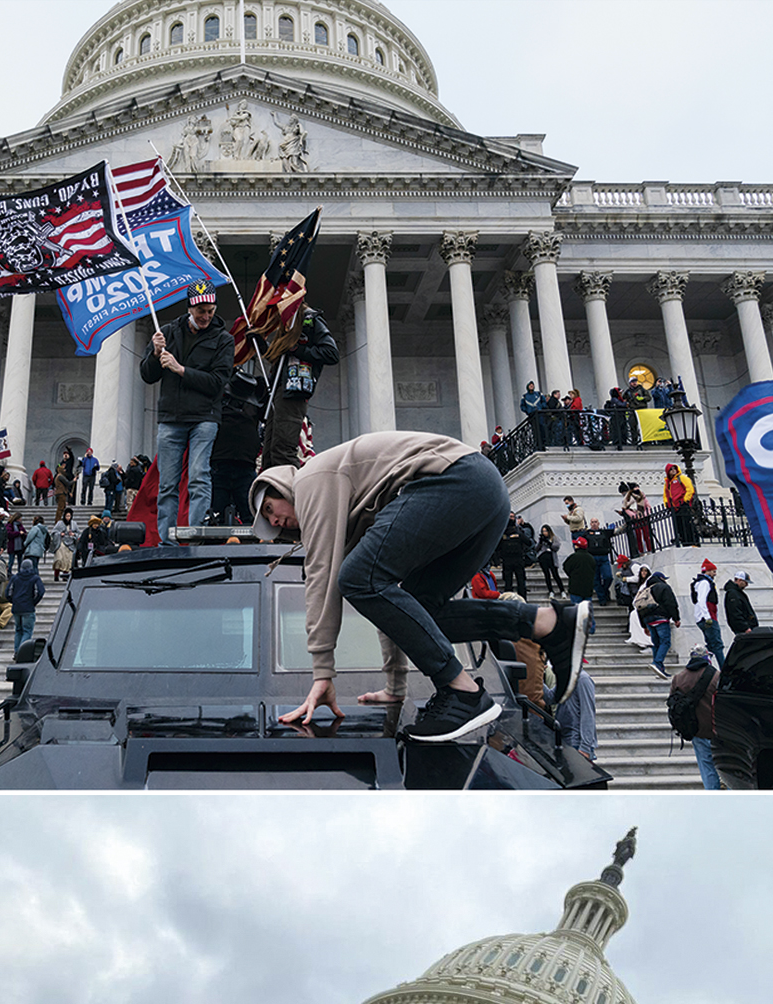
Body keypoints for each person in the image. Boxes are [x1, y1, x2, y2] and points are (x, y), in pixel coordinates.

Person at [250, 433, 590, 741]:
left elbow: (322, 578)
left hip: (456, 481)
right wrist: (395, 687)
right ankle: (548, 623)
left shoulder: (312, 480)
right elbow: (393, 608)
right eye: (270, 524)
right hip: (485, 493)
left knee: (356, 578)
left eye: (270, 509)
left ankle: (463, 692)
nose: (276, 522)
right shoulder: (349, 513)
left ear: (282, 487)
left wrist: (322, 673)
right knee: (419, 609)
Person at [140, 282, 235, 547]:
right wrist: (156, 353)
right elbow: (148, 375)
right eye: (201, 310)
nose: (206, 316)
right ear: (190, 307)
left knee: (198, 476)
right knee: (167, 484)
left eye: (211, 310)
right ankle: (167, 542)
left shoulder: (224, 340)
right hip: (171, 417)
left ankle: (195, 538)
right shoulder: (167, 332)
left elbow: (218, 382)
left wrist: (181, 370)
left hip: (205, 417)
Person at [259, 303, 339, 470]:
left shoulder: (310, 320)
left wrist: (296, 348)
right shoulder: (286, 326)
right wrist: (259, 342)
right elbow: (275, 358)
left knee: (283, 450)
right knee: (269, 454)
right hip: (278, 392)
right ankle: (271, 492)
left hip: (294, 392)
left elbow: (331, 353)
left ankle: (294, 492)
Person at [211, 371, 263, 526]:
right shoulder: (220, 401)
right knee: (217, 513)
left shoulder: (256, 405)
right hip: (223, 463)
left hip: (242, 464)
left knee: (249, 515)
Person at [668, 643, 721, 789]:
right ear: (707, 657)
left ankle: (712, 797)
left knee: (706, 766)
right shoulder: (717, 677)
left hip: (696, 730)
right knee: (726, 767)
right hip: (718, 730)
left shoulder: (679, 678)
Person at [637, 568, 681, 679]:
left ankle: (659, 669)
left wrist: (643, 625)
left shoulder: (646, 590)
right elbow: (671, 603)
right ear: (661, 579)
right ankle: (657, 663)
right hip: (660, 618)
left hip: (648, 620)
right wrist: (676, 618)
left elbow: (639, 608)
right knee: (665, 642)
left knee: (656, 644)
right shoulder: (664, 587)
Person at [553, 667, 598, 761]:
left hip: (576, 742)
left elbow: (588, 713)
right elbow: (550, 697)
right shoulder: (566, 678)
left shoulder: (582, 679)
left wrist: (585, 747)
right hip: (564, 739)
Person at [7, 557, 46, 657]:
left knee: (18, 630)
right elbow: (40, 592)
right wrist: (33, 602)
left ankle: (16, 651)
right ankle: (22, 653)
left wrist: (13, 601)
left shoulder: (15, 578)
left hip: (16, 608)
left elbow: (7, 593)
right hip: (28, 608)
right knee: (27, 631)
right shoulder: (35, 578)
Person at [689, 559, 725, 666]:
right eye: (713, 571)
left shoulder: (701, 582)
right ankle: (724, 670)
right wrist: (707, 617)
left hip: (703, 618)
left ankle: (701, 666)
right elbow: (702, 600)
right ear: (707, 571)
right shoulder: (704, 583)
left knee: (710, 646)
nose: (715, 573)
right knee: (717, 645)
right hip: (708, 618)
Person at [562, 536, 596, 634]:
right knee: (589, 610)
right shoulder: (591, 558)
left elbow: (566, 567)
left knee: (576, 609)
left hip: (575, 588)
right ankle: (591, 628)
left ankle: (578, 628)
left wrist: (572, 575)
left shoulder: (574, 557)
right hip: (588, 588)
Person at [663, 462, 699, 547]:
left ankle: (693, 542)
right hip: (674, 507)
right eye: (671, 469)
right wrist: (667, 504)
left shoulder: (682, 478)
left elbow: (689, 489)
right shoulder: (667, 483)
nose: (673, 470)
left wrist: (685, 500)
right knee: (679, 526)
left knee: (687, 524)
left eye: (674, 469)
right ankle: (685, 542)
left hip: (682, 505)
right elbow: (665, 494)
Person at [582, 519, 616, 606]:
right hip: (592, 557)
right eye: (592, 522)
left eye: (595, 522)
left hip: (603, 557)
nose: (594, 524)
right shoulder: (586, 534)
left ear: (598, 523)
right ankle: (602, 598)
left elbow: (616, 531)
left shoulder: (603, 532)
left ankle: (604, 591)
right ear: (590, 524)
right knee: (595, 580)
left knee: (608, 577)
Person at [498, 515, 527, 598]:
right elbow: (528, 542)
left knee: (508, 583)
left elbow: (497, 548)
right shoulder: (519, 534)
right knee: (521, 582)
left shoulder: (503, 536)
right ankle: (523, 600)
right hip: (518, 560)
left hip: (507, 562)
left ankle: (509, 601)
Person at [624, 564, 653, 650]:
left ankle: (647, 642)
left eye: (645, 571)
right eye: (642, 571)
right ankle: (637, 638)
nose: (643, 573)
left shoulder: (648, 582)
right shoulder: (642, 582)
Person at [724, 570, 758, 634]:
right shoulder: (733, 594)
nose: (747, 585)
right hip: (744, 630)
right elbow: (735, 613)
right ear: (739, 580)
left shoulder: (738, 593)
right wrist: (745, 627)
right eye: (745, 582)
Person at [51, 508, 78, 580]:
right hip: (61, 543)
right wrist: (60, 534)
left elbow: (78, 533)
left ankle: (65, 576)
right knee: (59, 559)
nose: (68, 518)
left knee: (68, 560)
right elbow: (53, 532)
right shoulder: (60, 523)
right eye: (66, 516)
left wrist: (73, 534)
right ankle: (56, 575)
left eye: (69, 516)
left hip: (70, 544)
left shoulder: (74, 524)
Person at [536, 525, 564, 595]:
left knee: (555, 574)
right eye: (543, 531)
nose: (544, 533)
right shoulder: (541, 539)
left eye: (545, 531)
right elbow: (536, 549)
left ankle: (562, 590)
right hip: (543, 557)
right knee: (547, 575)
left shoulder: (554, 538)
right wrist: (540, 542)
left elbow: (556, 547)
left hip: (552, 558)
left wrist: (549, 542)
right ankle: (550, 590)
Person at [519, 381, 545, 449]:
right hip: (532, 415)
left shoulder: (538, 394)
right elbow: (522, 406)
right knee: (535, 430)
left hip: (539, 414)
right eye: (530, 386)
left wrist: (541, 407)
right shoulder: (525, 396)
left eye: (532, 385)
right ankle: (537, 444)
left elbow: (543, 401)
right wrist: (528, 411)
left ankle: (543, 443)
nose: (531, 386)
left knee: (542, 428)